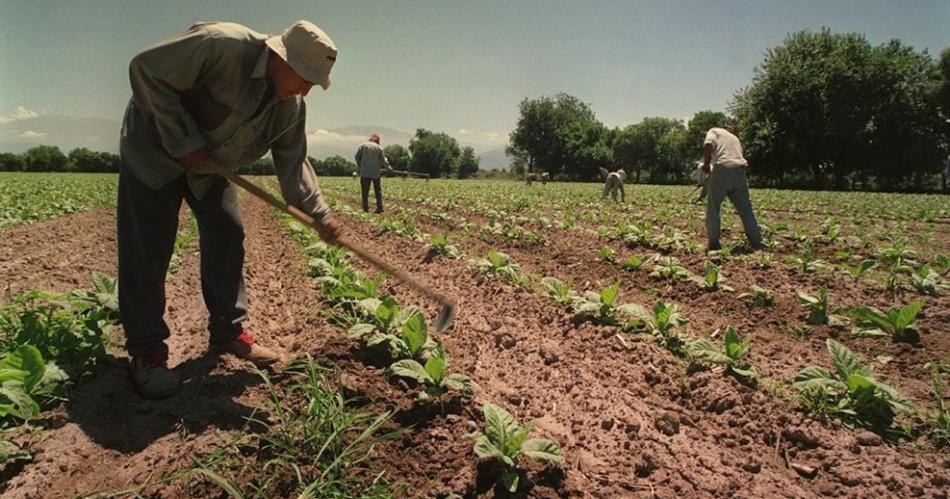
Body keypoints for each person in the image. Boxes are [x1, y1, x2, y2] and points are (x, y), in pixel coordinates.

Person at [118, 20, 341, 399]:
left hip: (210, 168)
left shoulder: (290, 105)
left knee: (227, 234)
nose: (306, 88)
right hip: (153, 155)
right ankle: (147, 353)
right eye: (304, 76)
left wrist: (320, 216)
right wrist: (183, 138)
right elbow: (145, 69)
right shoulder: (219, 45)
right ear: (279, 57)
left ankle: (228, 331)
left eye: (313, 82)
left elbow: (293, 164)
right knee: (148, 249)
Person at [701, 125, 763, 251]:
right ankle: (757, 242)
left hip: (722, 167)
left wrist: (706, 164)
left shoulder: (714, 131)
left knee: (713, 208)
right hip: (740, 171)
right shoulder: (735, 138)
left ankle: (714, 244)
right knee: (746, 210)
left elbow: (708, 145)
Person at [355, 133, 392, 213]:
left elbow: (357, 156)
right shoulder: (379, 148)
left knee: (365, 191)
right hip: (375, 173)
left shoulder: (363, 145)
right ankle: (380, 208)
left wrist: (360, 165)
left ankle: (365, 209)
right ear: (377, 141)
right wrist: (388, 168)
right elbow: (383, 160)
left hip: (365, 172)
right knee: (377, 191)